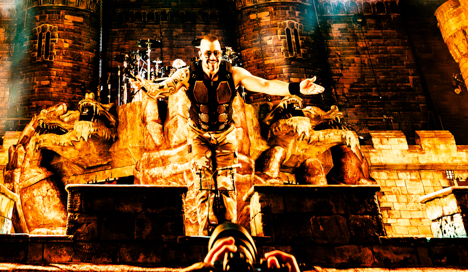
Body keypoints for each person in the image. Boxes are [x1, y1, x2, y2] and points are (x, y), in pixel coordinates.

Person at [131, 34, 324, 231]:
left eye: (216, 53)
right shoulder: (188, 74)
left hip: (225, 136)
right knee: (202, 186)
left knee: (227, 186)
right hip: (199, 136)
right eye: (208, 53)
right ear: (200, 54)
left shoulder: (234, 73)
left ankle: (230, 232)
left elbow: (264, 85)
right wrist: (146, 86)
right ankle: (203, 234)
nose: (212, 58)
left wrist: (297, 88)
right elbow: (165, 88)